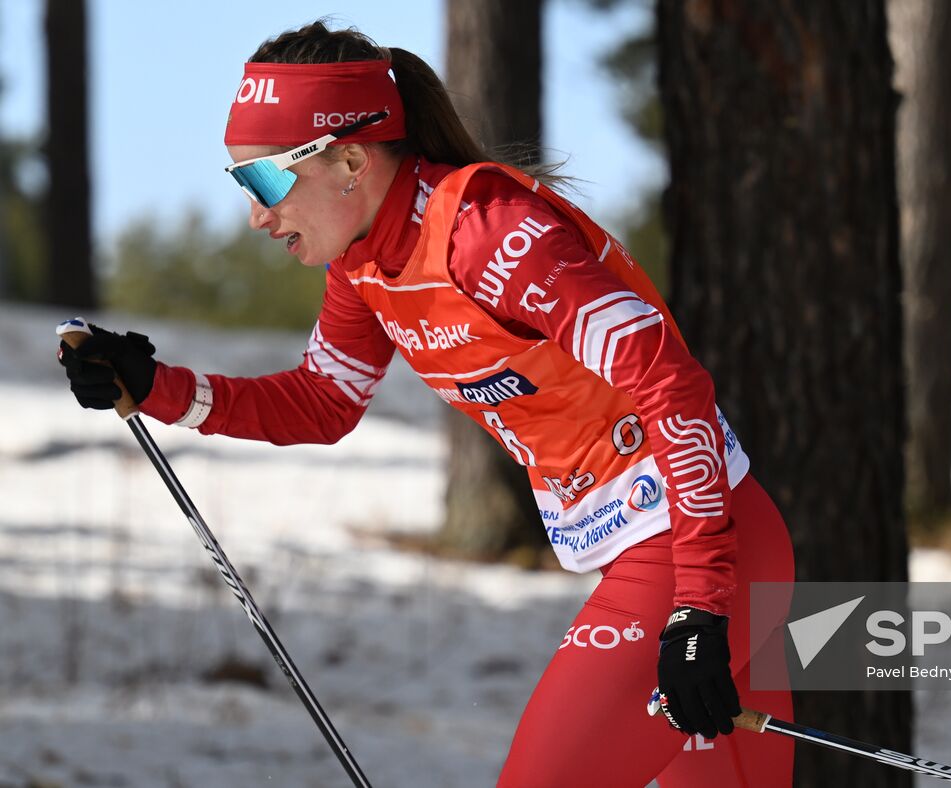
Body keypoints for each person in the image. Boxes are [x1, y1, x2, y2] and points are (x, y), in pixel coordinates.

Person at [57, 21, 794, 788]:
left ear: (348, 159)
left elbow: (670, 382)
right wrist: (154, 389)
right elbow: (321, 401)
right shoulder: (366, 265)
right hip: (684, 551)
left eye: (267, 181)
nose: (255, 214)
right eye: (239, 183)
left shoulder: (490, 235)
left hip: (698, 550)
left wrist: (702, 602)